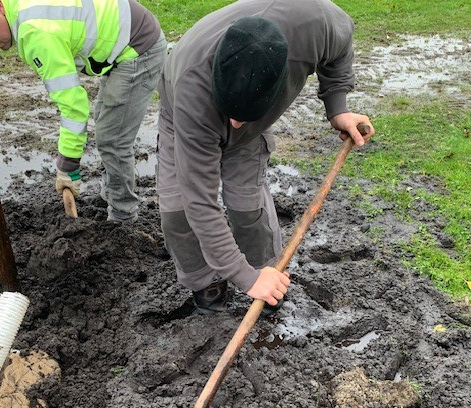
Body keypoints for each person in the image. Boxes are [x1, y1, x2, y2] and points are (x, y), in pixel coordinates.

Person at [156, 0, 374, 316]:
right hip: (183, 108)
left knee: (246, 204)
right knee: (177, 209)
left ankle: (269, 280)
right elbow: (199, 201)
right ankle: (207, 285)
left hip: (250, 122)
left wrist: (336, 108)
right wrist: (241, 276)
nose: (233, 126)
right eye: (229, 112)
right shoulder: (194, 92)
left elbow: (341, 48)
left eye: (244, 116)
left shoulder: (314, 24)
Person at [0, 0, 167, 223]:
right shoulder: (22, 9)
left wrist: (68, 166)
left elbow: (73, 107)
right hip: (127, 34)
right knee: (106, 123)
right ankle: (110, 194)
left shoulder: (34, 32)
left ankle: (123, 215)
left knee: (113, 138)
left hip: (139, 48)